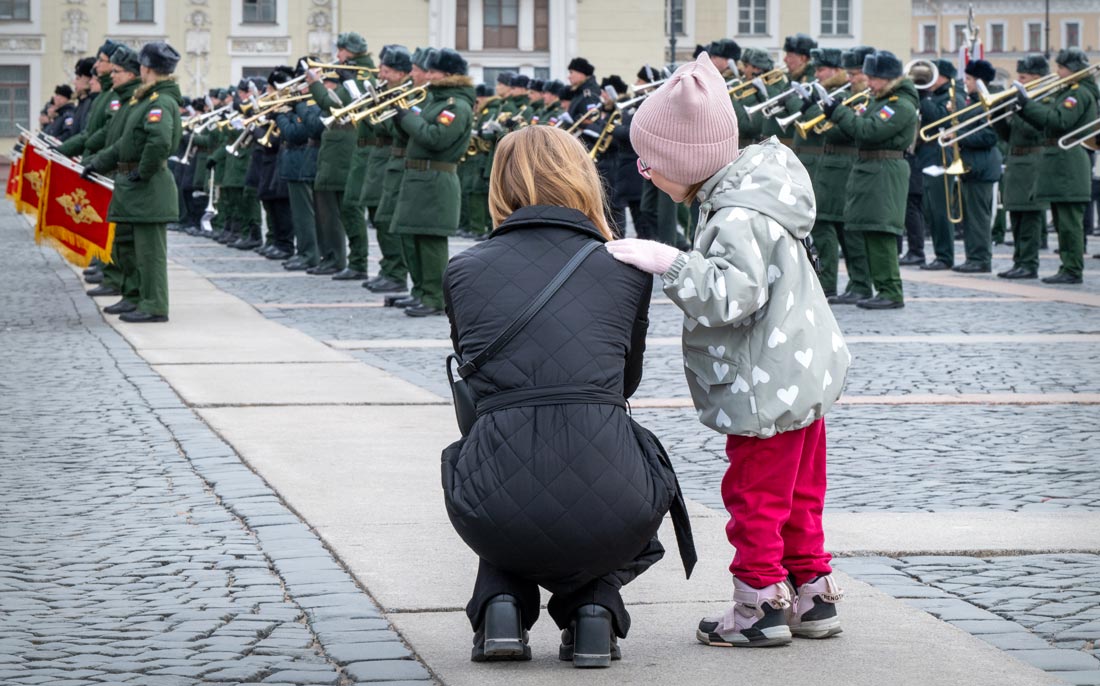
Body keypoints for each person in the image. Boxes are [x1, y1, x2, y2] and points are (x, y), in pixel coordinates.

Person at [607, 51, 849, 648]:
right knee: (798, 495)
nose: (642, 170)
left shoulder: (736, 215)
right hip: (797, 372)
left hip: (763, 380)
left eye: (652, 160)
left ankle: (759, 605)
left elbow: (726, 298)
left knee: (755, 497)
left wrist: (668, 261)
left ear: (687, 159)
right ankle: (812, 594)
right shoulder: (759, 195)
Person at [441, 125, 686, 668]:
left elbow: (480, 390)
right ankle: (592, 612)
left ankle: (500, 606)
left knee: (507, 474)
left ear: (499, 183)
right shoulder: (624, 267)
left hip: (496, 502)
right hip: (613, 496)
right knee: (587, 478)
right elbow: (624, 382)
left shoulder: (462, 268)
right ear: (582, 180)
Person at [84, 41, 183, 323]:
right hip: (133, 182)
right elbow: (124, 144)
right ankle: (135, 297)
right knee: (130, 247)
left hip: (147, 185)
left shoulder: (160, 101)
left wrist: (144, 170)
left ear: (146, 67)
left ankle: (154, 305)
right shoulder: (143, 100)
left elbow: (160, 141)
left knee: (150, 253)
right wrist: (96, 164)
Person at [821, 50, 918, 309]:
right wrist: (835, 114)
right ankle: (861, 286)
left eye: (874, 79)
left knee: (881, 232)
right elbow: (857, 130)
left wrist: (839, 113)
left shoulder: (900, 105)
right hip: (869, 169)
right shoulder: (880, 100)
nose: (870, 83)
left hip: (885, 171)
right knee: (861, 229)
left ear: (889, 78)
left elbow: (869, 130)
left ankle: (890, 291)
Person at [391, 47, 476, 317]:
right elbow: (415, 137)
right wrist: (398, 119)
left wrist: (408, 119)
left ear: (448, 74)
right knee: (411, 236)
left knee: (430, 242)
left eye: (433, 71)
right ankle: (420, 291)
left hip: (436, 178)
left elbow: (436, 138)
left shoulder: (455, 106)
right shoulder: (435, 101)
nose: (427, 75)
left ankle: (435, 298)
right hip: (419, 177)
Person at [1015, 47, 1098, 284]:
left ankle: (1072, 269)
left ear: (1072, 70)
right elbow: (1047, 124)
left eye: (1061, 68)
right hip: (1060, 160)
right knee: (1062, 221)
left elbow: (1059, 121)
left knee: (1070, 222)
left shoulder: (1078, 93)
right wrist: (1023, 109)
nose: (1058, 72)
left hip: (1068, 161)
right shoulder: (1069, 91)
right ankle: (1067, 266)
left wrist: (1028, 105)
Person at [992, 54, 1050, 279]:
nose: (1019, 81)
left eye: (1023, 77)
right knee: (1015, 215)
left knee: (1030, 218)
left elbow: (1037, 129)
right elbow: (1010, 135)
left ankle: (1029, 263)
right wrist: (997, 115)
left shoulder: (1044, 99)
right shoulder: (1023, 99)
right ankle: (1019, 261)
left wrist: (1024, 107)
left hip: (1033, 162)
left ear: (1037, 77)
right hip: (1016, 161)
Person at [951, 59, 1003, 273]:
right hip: (971, 166)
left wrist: (959, 135)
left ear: (980, 81)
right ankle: (973, 256)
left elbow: (990, 135)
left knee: (979, 217)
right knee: (970, 217)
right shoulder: (971, 101)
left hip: (981, 167)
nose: (966, 82)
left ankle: (981, 259)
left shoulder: (987, 102)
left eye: (970, 79)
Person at [917, 58, 966, 270]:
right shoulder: (936, 95)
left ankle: (945, 256)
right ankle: (939, 254)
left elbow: (943, 119)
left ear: (944, 77)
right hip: (928, 158)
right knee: (931, 211)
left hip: (941, 159)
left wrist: (924, 100)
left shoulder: (954, 95)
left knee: (941, 212)